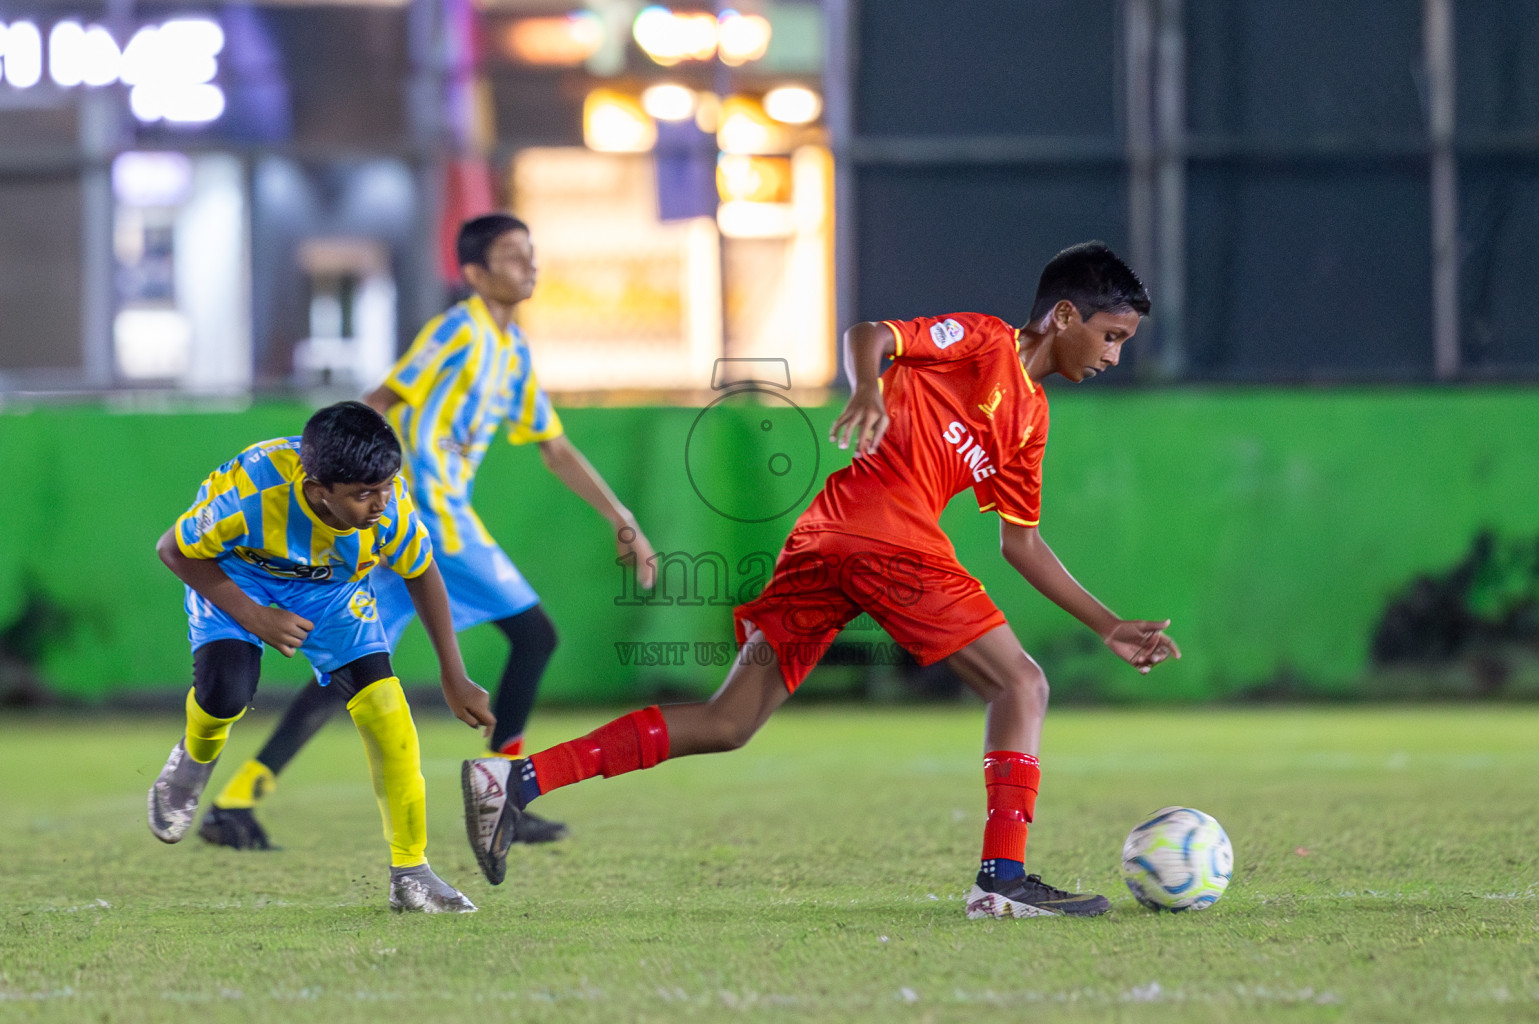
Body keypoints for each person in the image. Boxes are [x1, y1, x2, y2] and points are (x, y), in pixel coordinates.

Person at [461, 241, 1181, 917]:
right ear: (1063, 316)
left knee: (728, 722)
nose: (1115, 356)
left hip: (829, 540)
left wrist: (1106, 623)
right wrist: (867, 390)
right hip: (880, 535)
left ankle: (515, 781)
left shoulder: (1030, 420)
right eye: (1111, 335)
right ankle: (1001, 880)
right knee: (1020, 684)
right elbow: (868, 333)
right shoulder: (984, 339)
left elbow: (1019, 542)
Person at [196, 213, 656, 852]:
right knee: (534, 635)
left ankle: (237, 799)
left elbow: (554, 448)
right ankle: (503, 794)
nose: (531, 266)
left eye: (532, 253)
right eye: (514, 255)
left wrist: (621, 517)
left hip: (394, 525)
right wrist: (345, 467)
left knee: (349, 667)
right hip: (427, 518)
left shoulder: (514, 350)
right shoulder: (457, 331)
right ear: (474, 273)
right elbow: (379, 400)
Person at [149, 401, 495, 913]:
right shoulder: (250, 495)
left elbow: (422, 572)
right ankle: (193, 762)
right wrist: (255, 617)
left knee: (389, 717)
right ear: (318, 491)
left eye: (386, 485)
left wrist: (454, 673)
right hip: (237, 578)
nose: (381, 503)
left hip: (330, 591)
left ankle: (412, 875)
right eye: (363, 494)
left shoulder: (388, 507)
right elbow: (174, 550)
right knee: (226, 695)